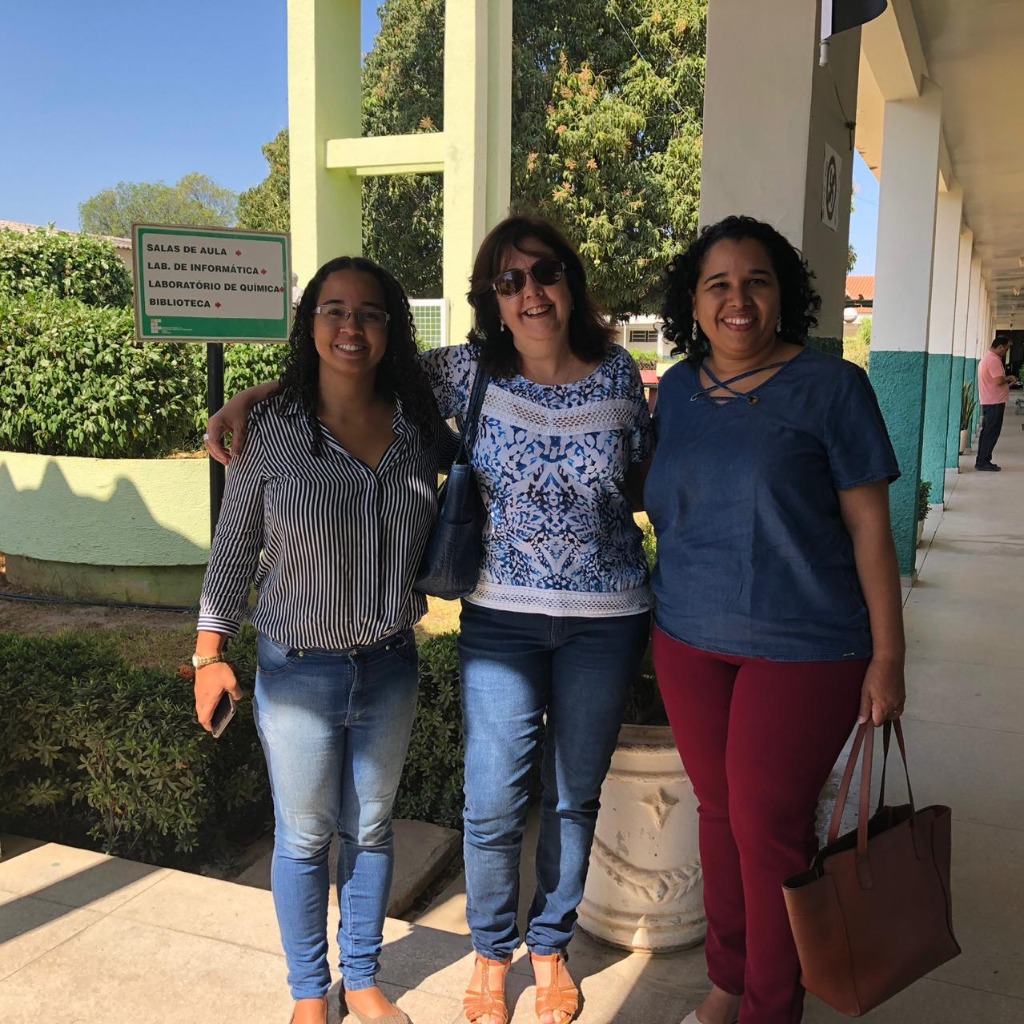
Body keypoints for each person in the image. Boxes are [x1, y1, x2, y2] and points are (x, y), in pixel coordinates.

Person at [206, 216, 653, 1024]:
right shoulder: (467, 370)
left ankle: (548, 950)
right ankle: (487, 955)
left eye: (544, 273)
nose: (529, 292)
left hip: (600, 618)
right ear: (492, 298)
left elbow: (645, 475)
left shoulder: (618, 374)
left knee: (569, 797)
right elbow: (351, 361)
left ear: (570, 280)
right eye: (509, 281)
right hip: (497, 619)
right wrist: (250, 396)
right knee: (487, 803)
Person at [644, 215, 906, 1024]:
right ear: (694, 300)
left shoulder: (832, 388)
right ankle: (728, 985)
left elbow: (870, 528)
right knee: (720, 816)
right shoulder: (678, 390)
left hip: (805, 648)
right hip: (687, 639)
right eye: (718, 284)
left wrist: (888, 657)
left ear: (783, 294)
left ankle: (769, 1007)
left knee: (768, 828)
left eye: (757, 281)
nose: (738, 299)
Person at [194, 255, 444, 1024]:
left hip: (390, 667)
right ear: (309, 324)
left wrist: (246, 391)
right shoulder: (271, 431)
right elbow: (233, 549)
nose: (351, 326)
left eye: (369, 312)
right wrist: (208, 654)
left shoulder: (420, 429)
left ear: (391, 328)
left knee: (369, 830)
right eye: (333, 310)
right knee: (303, 838)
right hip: (297, 673)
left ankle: (360, 980)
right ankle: (309, 992)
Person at [975, 336, 1018, 471]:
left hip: (990, 400)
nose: (1005, 352)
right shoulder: (994, 360)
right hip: (994, 402)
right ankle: (983, 462)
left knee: (987, 432)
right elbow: (999, 380)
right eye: (1006, 349)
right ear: (1000, 347)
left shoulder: (987, 358)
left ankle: (982, 460)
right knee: (991, 433)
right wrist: (1009, 377)